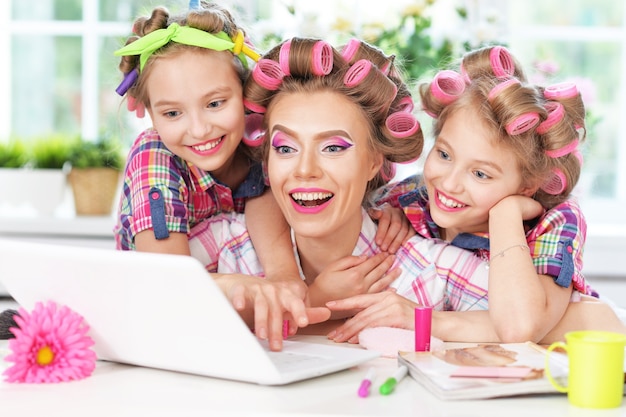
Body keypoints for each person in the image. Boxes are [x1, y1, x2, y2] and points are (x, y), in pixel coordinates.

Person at [109, 2, 410, 350]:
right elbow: (170, 282)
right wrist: (272, 287)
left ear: (246, 91)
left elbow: (263, 197)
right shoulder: (155, 155)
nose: (199, 128)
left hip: (227, 319)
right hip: (159, 314)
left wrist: (285, 277)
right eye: (172, 112)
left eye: (215, 103)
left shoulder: (261, 141)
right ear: (148, 111)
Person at [188, 37, 494, 333]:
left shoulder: (431, 269)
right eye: (285, 148)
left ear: (374, 160)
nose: (305, 170)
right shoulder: (229, 246)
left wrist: (429, 321)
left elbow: (535, 326)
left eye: (333, 148)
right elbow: (143, 292)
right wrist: (221, 287)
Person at [326, 45, 626, 344]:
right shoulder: (411, 197)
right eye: (444, 154)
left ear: (528, 185)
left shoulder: (556, 222)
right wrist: (390, 214)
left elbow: (520, 326)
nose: (450, 183)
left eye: (480, 174)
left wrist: (505, 217)